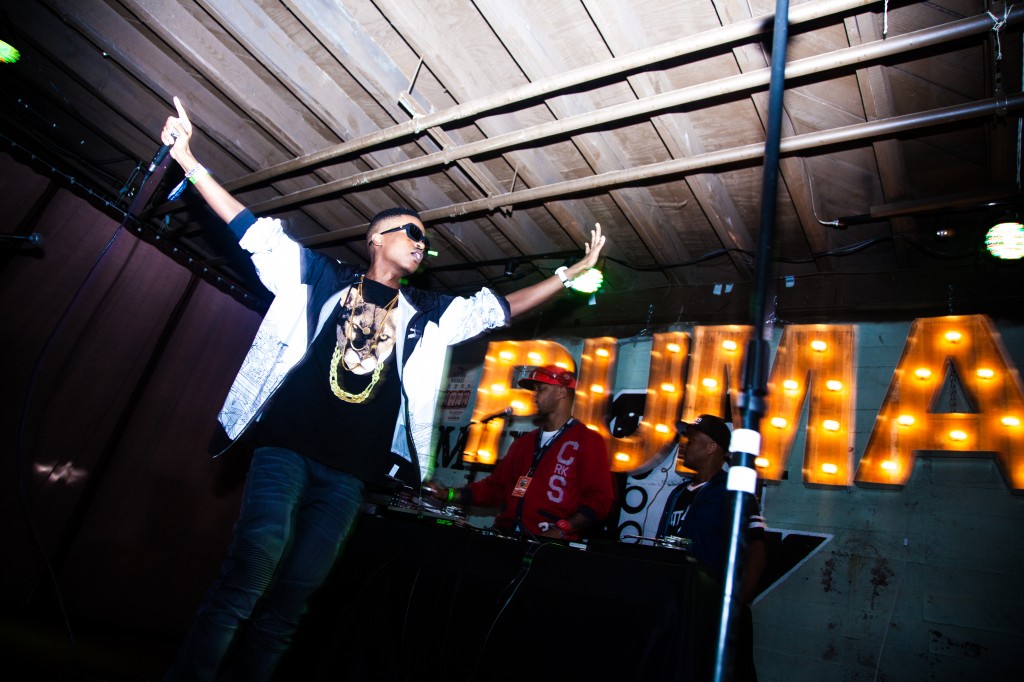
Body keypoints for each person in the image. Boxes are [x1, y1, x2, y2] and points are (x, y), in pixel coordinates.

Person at [157, 97, 607, 681]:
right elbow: (251, 230)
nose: (421, 243)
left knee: (290, 602)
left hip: (349, 475)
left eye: (425, 240)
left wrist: (569, 274)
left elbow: (497, 308)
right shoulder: (317, 277)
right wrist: (189, 160)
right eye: (411, 233)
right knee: (251, 570)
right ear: (376, 238)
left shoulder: (426, 313)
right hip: (287, 449)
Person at [423, 365, 614, 540]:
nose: (534, 395)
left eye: (541, 388)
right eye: (533, 390)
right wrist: (448, 494)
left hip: (548, 548)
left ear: (561, 392)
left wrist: (562, 529)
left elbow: (600, 500)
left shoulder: (588, 441)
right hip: (509, 536)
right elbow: (495, 488)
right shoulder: (524, 442)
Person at [658, 413, 766, 682]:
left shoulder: (734, 492)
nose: (684, 444)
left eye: (692, 439)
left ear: (711, 447)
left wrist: (737, 602)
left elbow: (757, 547)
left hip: (713, 611)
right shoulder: (679, 493)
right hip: (680, 609)